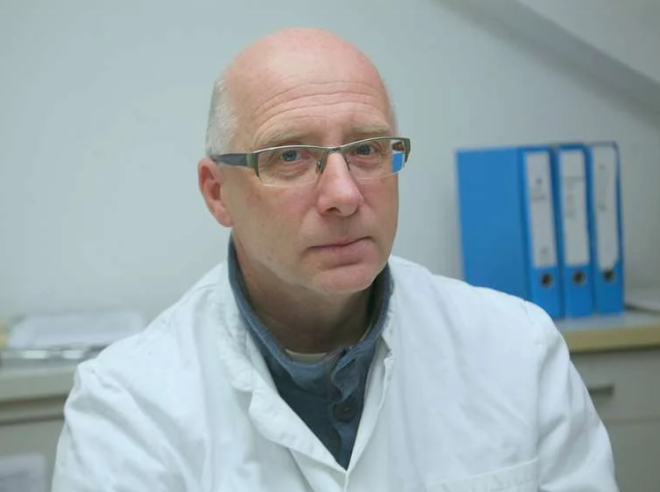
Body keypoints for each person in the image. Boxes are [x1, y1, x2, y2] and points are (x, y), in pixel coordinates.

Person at [52, 28, 619, 491]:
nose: (344, 195)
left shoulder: (517, 349)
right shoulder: (128, 404)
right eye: (290, 156)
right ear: (217, 192)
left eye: (366, 149)